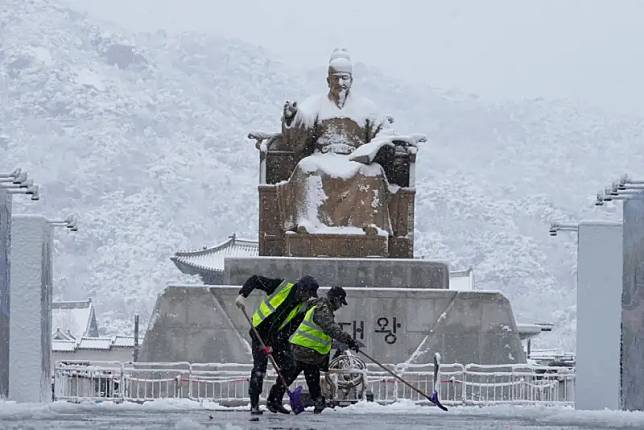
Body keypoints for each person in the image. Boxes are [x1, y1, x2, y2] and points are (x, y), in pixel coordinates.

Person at [267, 286, 364, 414]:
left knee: (303, 375)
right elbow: (330, 328)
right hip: (304, 349)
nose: (340, 306)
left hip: (308, 350)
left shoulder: (321, 307)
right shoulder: (322, 309)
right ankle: (277, 400)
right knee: (297, 375)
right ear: (335, 299)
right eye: (340, 302)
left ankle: (278, 400)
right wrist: (349, 340)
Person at [235, 274, 319, 415]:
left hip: (277, 338)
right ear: (301, 289)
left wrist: (274, 344)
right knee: (259, 368)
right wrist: (243, 295)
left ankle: (274, 400)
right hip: (259, 332)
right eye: (308, 294)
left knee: (290, 365)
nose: (308, 298)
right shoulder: (281, 286)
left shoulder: (302, 307)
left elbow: (290, 328)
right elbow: (255, 279)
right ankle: (254, 404)